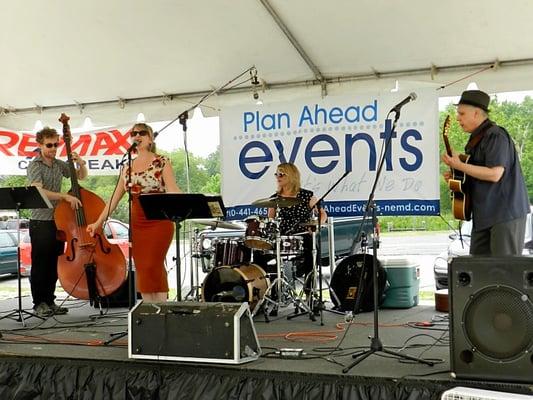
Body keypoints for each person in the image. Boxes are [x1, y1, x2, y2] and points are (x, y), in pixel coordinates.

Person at [87, 123, 182, 303]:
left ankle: (161, 310)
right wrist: (97, 223)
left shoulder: (162, 161)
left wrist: (190, 203)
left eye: (142, 133)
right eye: (134, 133)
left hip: (159, 220)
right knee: (143, 267)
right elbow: (113, 200)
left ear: (151, 138)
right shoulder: (127, 167)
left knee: (153, 264)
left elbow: (172, 189)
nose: (137, 136)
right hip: (138, 221)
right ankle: (149, 311)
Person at [442, 89, 530, 255]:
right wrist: (457, 177)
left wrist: (460, 166)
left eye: (461, 113)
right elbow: (477, 174)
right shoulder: (477, 138)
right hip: (484, 215)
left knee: (504, 271)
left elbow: (494, 174)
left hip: (504, 213)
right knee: (479, 269)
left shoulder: (496, 135)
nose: (457, 118)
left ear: (476, 113)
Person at [27, 127, 88, 317]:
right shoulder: (34, 165)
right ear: (40, 145)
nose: (54, 148)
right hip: (40, 220)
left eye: (56, 144)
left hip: (58, 221)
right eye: (49, 145)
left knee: (55, 262)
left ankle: (50, 301)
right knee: (41, 263)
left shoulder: (59, 164)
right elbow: (39, 191)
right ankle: (39, 302)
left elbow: (81, 177)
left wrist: (81, 163)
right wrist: (64, 197)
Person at [266, 163, 327, 288]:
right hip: (281, 237)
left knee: (311, 249)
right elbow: (270, 221)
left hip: (302, 236)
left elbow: (322, 215)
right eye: (276, 174)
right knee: (259, 252)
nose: (278, 177)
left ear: (292, 176)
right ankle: (263, 289)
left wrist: (316, 225)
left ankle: (309, 291)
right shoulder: (274, 199)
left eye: (281, 174)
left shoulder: (307, 196)